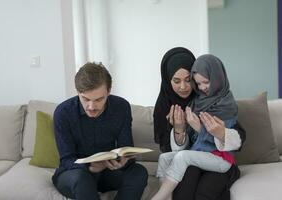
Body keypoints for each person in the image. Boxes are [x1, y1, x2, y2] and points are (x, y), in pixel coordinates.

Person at [153, 47, 246, 200]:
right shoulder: (165, 107)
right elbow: (174, 153)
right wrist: (179, 130)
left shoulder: (217, 100)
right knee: (183, 187)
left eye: (188, 80)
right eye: (176, 81)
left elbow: (239, 137)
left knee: (206, 190)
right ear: (167, 80)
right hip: (191, 160)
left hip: (218, 159)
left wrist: (217, 133)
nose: (183, 87)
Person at [52, 62, 148, 200]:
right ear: (78, 92)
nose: (91, 106)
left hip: (107, 172)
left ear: (108, 91)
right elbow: (67, 160)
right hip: (74, 173)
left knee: (139, 172)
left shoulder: (121, 107)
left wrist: (123, 160)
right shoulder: (63, 112)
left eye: (99, 99)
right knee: (81, 178)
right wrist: (90, 167)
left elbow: (126, 147)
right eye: (85, 99)